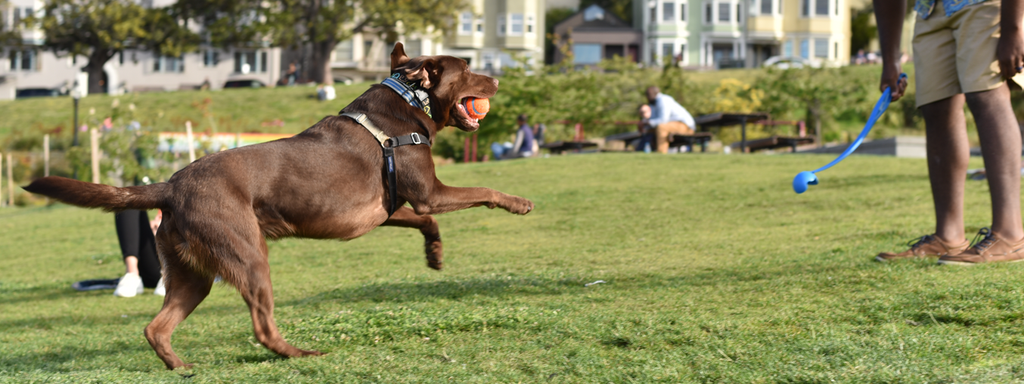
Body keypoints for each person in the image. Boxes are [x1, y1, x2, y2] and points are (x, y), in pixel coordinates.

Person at [874, 0, 1024, 264]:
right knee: (936, 107)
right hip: (929, 10)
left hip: (986, 5)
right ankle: (948, 237)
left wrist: (1013, 29)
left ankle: (1011, 235)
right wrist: (890, 59)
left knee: (986, 96)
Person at [639, 86, 696, 154]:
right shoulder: (653, 104)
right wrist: (645, 125)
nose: (647, 97)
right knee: (649, 130)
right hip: (674, 124)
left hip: (686, 126)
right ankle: (642, 150)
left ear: (655, 93)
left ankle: (661, 153)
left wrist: (649, 122)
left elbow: (663, 120)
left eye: (648, 94)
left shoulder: (663, 100)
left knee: (661, 127)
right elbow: (654, 120)